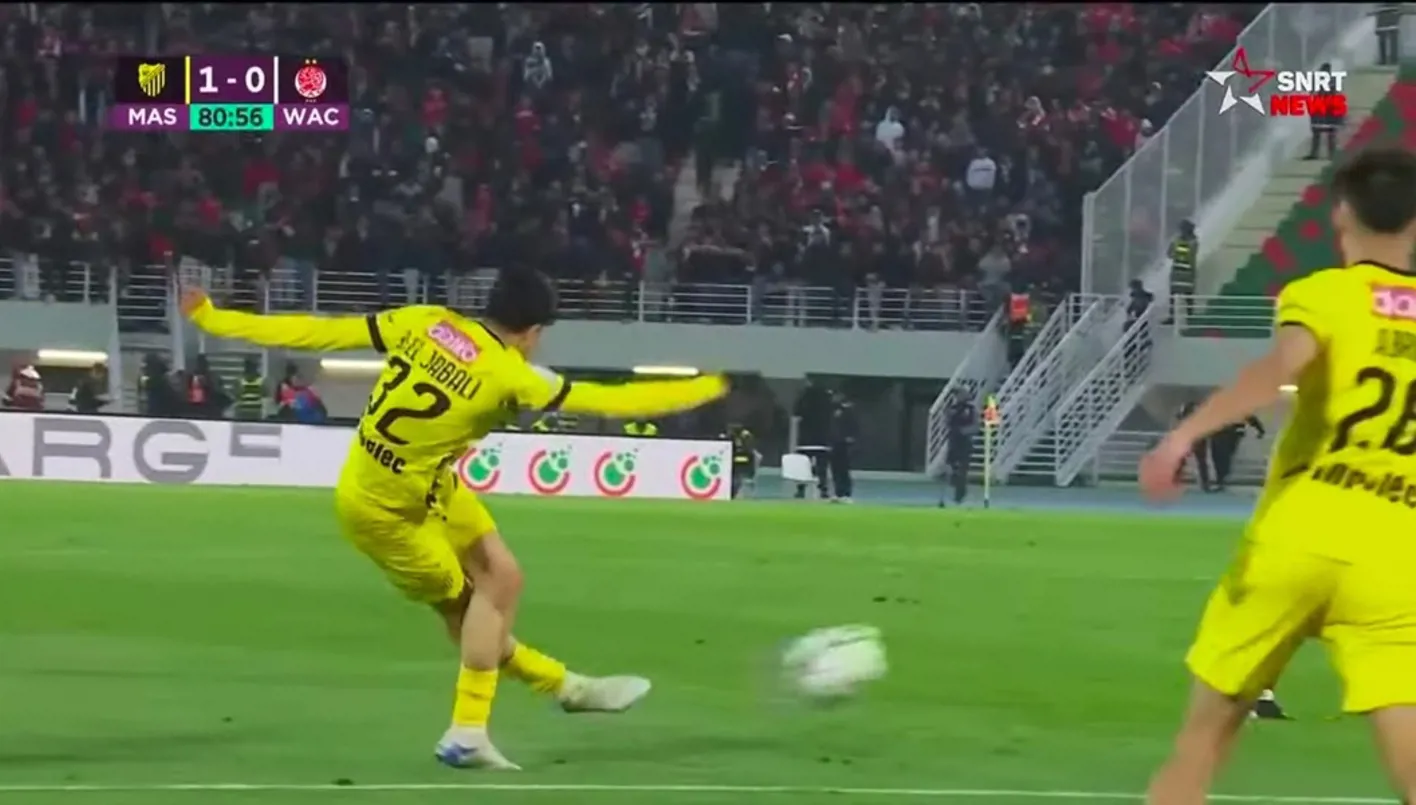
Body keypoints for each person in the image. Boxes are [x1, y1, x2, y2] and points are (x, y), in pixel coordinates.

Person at [180, 267, 729, 771]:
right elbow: (608, 401)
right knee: (470, 615)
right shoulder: (513, 375)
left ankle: (569, 691)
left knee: (503, 579)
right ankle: (489, 722)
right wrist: (702, 388)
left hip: (415, 482)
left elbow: (318, 332)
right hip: (385, 514)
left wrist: (214, 318)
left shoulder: (426, 321)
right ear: (533, 331)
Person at [1138, 147, 1416, 804]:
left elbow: (1282, 369)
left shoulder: (1323, 294)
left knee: (1203, 742)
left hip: (1301, 532)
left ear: (1339, 213)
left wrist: (1183, 435)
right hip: (1395, 555)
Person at [1209, 414, 1265, 491]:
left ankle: (1221, 478)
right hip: (1220, 431)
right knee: (1218, 455)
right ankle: (1221, 478)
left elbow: (1248, 415)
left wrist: (1260, 429)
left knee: (1223, 455)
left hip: (1231, 432)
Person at [941, 393, 977, 506]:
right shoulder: (952, 409)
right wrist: (947, 414)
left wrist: (964, 431)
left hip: (965, 442)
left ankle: (960, 495)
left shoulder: (971, 409)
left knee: (963, 469)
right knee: (951, 467)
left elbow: (975, 426)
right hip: (953, 441)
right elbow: (947, 423)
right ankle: (952, 487)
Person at [827, 392, 857, 503]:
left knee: (843, 470)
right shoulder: (833, 411)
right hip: (835, 444)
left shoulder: (849, 411)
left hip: (844, 445)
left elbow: (854, 427)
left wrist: (850, 438)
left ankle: (846, 493)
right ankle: (838, 493)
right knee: (835, 470)